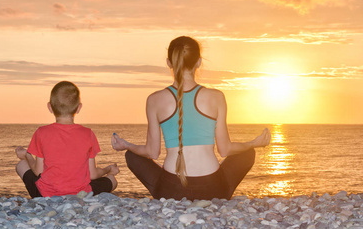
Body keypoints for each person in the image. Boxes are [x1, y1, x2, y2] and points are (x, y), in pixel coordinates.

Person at [112, 36, 271, 201]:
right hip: (213, 189)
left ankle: (165, 197)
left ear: (169, 62)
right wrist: (254, 143)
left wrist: (126, 145)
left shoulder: (154, 99)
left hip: (171, 190)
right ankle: (222, 197)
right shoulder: (216, 97)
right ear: (199, 62)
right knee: (247, 153)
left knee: (131, 156)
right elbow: (225, 149)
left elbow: (152, 152)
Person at [15, 81, 119, 198]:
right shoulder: (88, 134)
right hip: (80, 194)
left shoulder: (41, 132)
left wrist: (26, 156)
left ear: (50, 107)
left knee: (21, 165)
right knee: (112, 180)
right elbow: (93, 175)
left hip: (45, 195)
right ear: (79, 108)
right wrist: (108, 169)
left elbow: (38, 171)